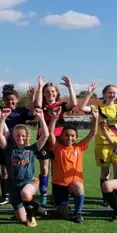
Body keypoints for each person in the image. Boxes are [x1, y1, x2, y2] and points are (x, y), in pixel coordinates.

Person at [80, 76, 117, 207]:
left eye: (114, 92)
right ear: (105, 94)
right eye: (109, 92)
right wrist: (89, 94)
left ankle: (113, 196)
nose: (112, 94)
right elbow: (83, 108)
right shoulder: (97, 107)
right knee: (105, 173)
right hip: (102, 145)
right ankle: (106, 198)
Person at [0, 78, 37, 205]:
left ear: (17, 100)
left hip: (19, 145)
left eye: (12, 99)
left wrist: (32, 97)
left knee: (18, 168)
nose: (10, 102)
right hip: (4, 144)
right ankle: (6, 195)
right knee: (4, 170)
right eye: (7, 100)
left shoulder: (22, 111)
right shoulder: (1, 110)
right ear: (4, 101)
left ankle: (23, 188)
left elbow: (34, 111)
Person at [0, 107, 50, 227]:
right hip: (13, 185)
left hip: (28, 182)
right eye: (17, 136)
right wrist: (2, 118)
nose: (20, 138)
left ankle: (31, 216)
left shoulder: (32, 149)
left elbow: (45, 135)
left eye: (23, 136)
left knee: (25, 193)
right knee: (20, 218)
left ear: (28, 136)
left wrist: (41, 118)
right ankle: (35, 206)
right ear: (13, 137)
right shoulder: (10, 149)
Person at [48, 107, 99, 223]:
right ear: (61, 136)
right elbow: (50, 133)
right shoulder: (56, 147)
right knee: (65, 215)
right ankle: (60, 207)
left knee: (79, 187)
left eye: (72, 136)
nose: (69, 138)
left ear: (76, 137)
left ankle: (78, 212)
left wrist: (95, 119)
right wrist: (54, 119)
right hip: (59, 184)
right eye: (67, 135)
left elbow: (93, 133)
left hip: (74, 183)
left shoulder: (79, 147)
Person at [35, 75, 78, 207]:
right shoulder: (41, 105)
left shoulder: (61, 105)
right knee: (44, 169)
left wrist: (70, 86)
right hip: (44, 139)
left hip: (59, 140)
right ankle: (43, 195)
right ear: (43, 94)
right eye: (47, 92)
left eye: (53, 91)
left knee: (57, 169)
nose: (50, 94)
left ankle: (55, 194)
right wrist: (40, 86)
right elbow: (37, 104)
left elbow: (74, 104)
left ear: (57, 93)